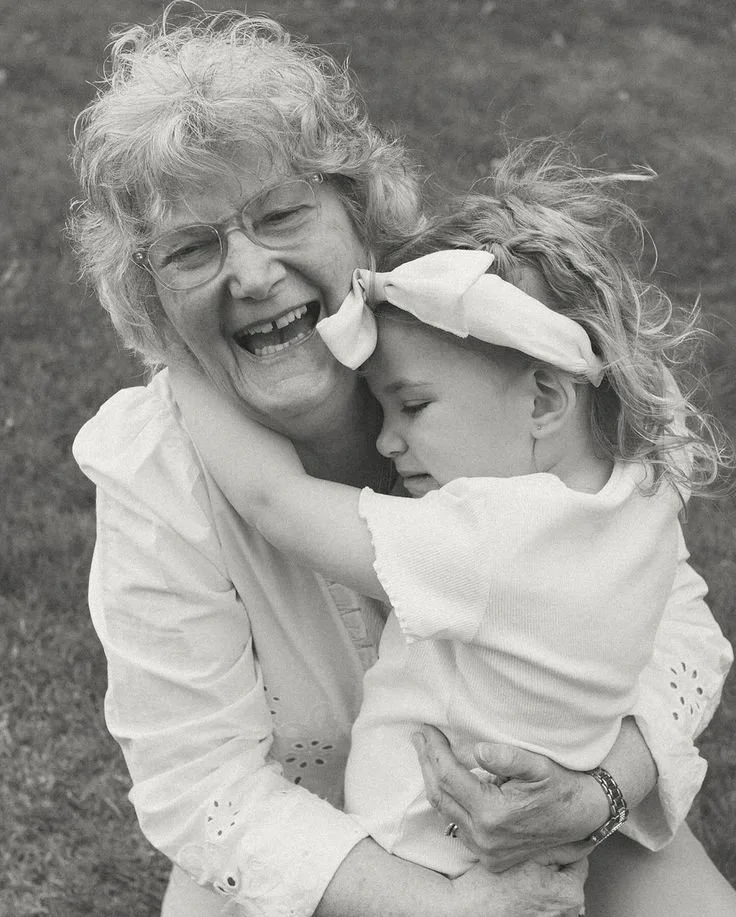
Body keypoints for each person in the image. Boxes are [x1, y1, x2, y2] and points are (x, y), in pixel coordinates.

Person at [68, 5, 734, 916]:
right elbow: (204, 790)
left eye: (281, 214)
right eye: (192, 249)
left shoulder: (483, 368)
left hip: (540, 812)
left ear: (360, 216)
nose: (252, 274)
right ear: (153, 303)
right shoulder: (157, 472)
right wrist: (445, 905)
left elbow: (676, 620)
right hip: (320, 867)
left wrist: (598, 792)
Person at [169, 140, 733, 887]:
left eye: (413, 405)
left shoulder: (487, 537)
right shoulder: (644, 485)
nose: (386, 435)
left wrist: (174, 356)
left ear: (543, 399)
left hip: (421, 853)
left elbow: (276, 499)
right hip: (549, 853)